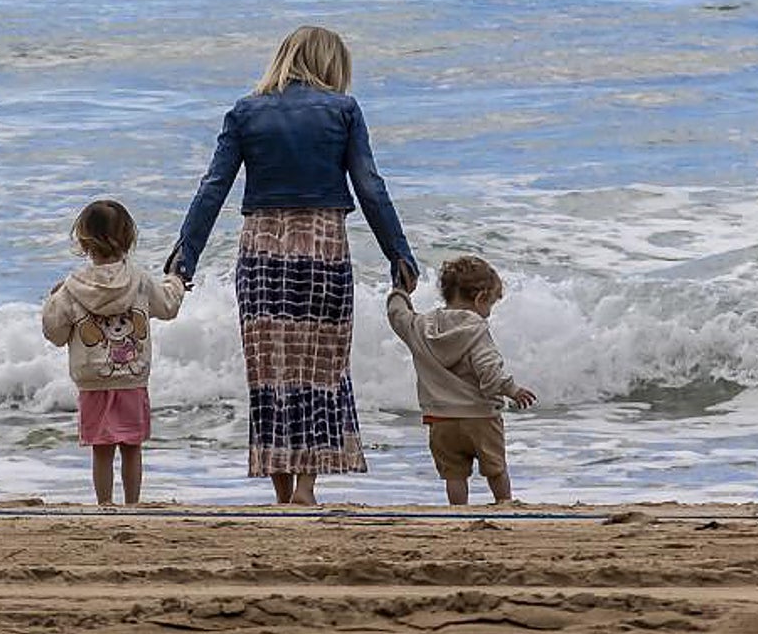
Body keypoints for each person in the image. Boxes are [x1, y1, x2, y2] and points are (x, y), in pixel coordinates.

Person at [167, 25, 419, 505]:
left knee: (271, 369)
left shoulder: (245, 111)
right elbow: (370, 186)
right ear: (330, 64)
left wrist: (186, 255)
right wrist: (398, 253)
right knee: (321, 367)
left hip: (260, 247)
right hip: (322, 244)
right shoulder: (343, 110)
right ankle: (307, 488)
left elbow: (213, 187)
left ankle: (283, 489)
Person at [42, 199, 186, 505]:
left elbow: (54, 333)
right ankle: (132, 503)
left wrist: (52, 298)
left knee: (102, 448)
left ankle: (104, 504)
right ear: (129, 239)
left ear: (83, 241)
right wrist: (177, 280)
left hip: (93, 381)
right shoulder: (140, 280)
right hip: (132, 377)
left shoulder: (71, 288)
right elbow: (168, 306)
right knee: (132, 447)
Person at [386, 254, 537, 505]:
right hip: (481, 418)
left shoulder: (421, 326)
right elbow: (488, 371)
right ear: (480, 298)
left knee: (454, 475)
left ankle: (458, 512)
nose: (488, 313)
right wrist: (512, 389)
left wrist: (400, 290)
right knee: (496, 469)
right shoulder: (476, 330)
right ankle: (505, 505)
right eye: (490, 304)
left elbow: (397, 315)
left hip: (440, 420)